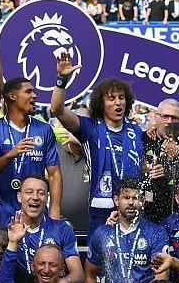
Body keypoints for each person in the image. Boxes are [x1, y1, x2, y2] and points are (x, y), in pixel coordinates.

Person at [50, 51, 143, 233]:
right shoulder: (90, 128)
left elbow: (143, 166)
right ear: (101, 104)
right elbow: (57, 109)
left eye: (121, 97)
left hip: (132, 209)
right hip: (101, 212)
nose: (118, 103)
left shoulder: (137, 132)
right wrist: (61, 79)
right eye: (111, 98)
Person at [0, 174, 82, 283]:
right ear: (19, 197)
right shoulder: (5, 219)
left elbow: (78, 274)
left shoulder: (62, 229)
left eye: (41, 193)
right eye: (29, 192)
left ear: (47, 198)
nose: (35, 197)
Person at [85, 177, 169, 283]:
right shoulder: (102, 233)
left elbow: (162, 278)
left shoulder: (156, 232)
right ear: (116, 200)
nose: (131, 202)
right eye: (126, 197)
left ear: (142, 201)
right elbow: (89, 275)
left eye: (135, 198)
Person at [0, 77, 62, 216]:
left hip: (36, 214)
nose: (34, 95)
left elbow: (54, 174)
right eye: (28, 92)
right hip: (2, 213)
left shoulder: (44, 129)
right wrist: (10, 155)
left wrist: (54, 211)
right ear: (12, 96)